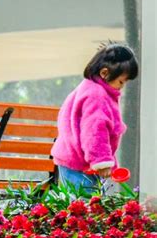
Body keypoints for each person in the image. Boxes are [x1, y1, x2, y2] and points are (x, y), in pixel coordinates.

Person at [51, 43, 138, 195]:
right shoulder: (96, 96)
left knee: (81, 207)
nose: (122, 86)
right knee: (84, 209)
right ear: (105, 73)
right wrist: (101, 161)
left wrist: (106, 161)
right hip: (79, 165)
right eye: (121, 81)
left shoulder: (92, 88)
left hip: (78, 161)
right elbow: (94, 132)